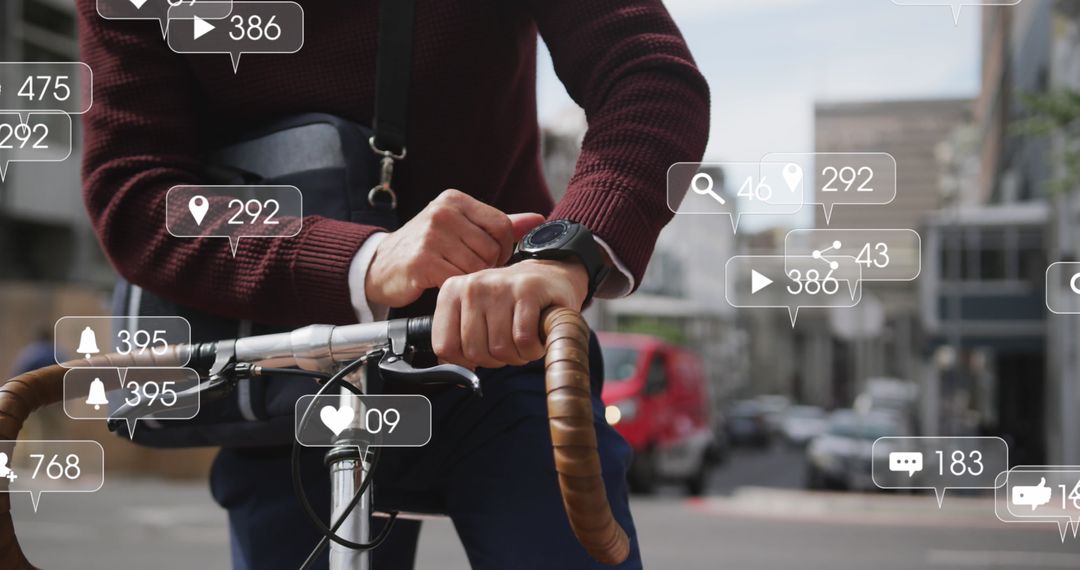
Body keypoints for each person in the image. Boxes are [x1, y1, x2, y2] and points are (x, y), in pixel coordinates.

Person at [77, 1, 709, 568]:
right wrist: (365, 259)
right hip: (287, 369)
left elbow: (648, 76)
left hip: (496, 338)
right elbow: (137, 192)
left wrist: (562, 256)